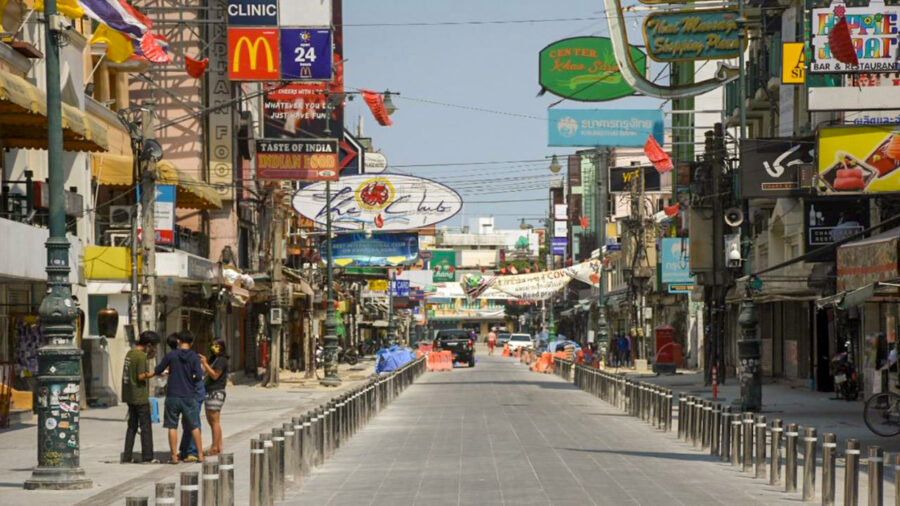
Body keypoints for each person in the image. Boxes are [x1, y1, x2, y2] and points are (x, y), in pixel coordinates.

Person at [154, 330, 204, 464]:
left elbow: (158, 370)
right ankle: (200, 455)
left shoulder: (171, 355)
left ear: (178, 341)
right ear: (192, 343)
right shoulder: (194, 357)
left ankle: (174, 456)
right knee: (194, 425)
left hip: (172, 395)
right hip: (188, 395)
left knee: (172, 426)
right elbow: (199, 376)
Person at [122, 330, 159, 463]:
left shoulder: (130, 353)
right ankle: (148, 457)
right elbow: (141, 376)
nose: (154, 348)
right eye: (153, 345)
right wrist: (156, 373)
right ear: (148, 344)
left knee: (132, 426)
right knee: (145, 427)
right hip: (139, 396)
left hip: (130, 395)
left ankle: (127, 456)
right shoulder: (141, 356)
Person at [178, 331, 206, 463]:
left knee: (193, 422)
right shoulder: (179, 356)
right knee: (186, 422)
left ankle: (193, 452)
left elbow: (197, 376)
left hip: (194, 393)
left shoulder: (192, 357)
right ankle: (184, 450)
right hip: (188, 393)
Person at [200, 339, 229, 456]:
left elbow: (215, 375)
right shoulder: (215, 359)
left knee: (214, 421)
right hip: (210, 391)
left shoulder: (221, 360)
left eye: (217, 345)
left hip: (215, 392)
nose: (214, 347)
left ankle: (214, 447)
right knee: (213, 422)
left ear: (222, 347)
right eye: (212, 345)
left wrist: (205, 364)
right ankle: (218, 446)